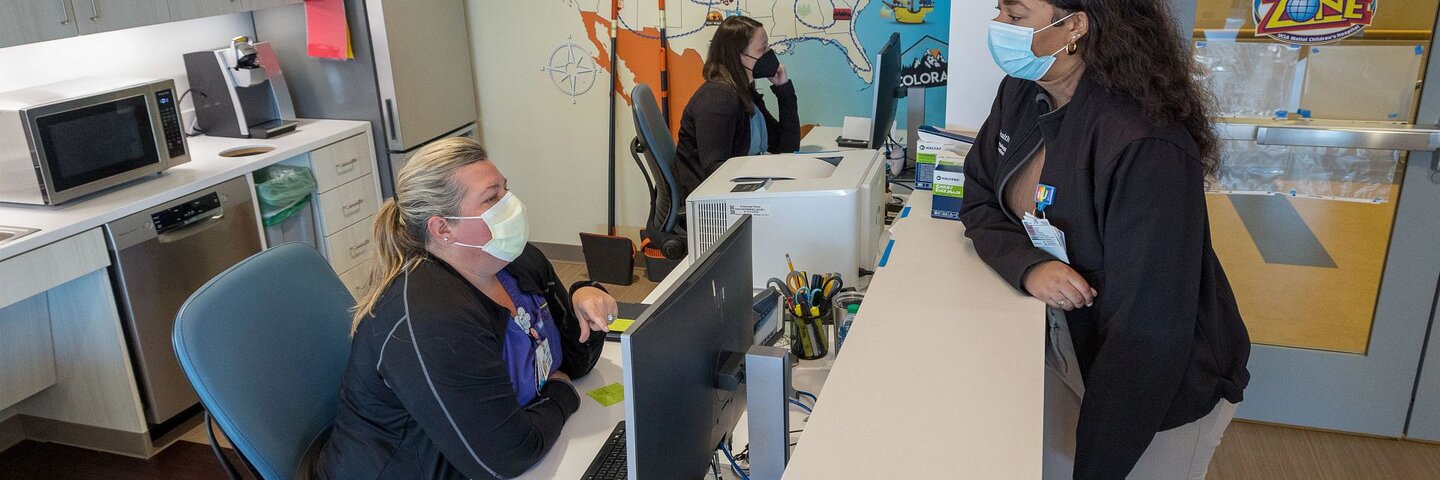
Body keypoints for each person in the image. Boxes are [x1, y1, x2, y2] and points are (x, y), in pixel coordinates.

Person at [959, 1, 1251, 478]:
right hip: (1073, 345)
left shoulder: (1144, 142)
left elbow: (1147, 333)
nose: (997, 27)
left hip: (1154, 386)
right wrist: (1029, 266)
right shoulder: (1022, 91)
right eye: (1000, 12)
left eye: (1014, 17)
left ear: (1074, 25)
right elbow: (978, 199)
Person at [313, 138, 618, 479]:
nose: (512, 204)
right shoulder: (432, 317)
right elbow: (508, 456)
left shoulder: (518, 262)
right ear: (442, 228)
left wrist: (584, 297)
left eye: (506, 189)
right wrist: (560, 393)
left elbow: (574, 363)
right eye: (491, 198)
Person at [674, 15, 801, 201]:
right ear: (740, 56)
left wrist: (784, 90)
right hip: (711, 204)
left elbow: (785, 146)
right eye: (763, 48)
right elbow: (715, 172)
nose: (769, 53)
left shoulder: (745, 92)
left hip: (739, 192)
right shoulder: (717, 99)